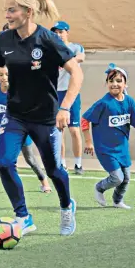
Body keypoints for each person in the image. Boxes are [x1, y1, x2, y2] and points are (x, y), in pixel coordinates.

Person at [0, 0, 84, 236]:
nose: (7, 15)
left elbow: (77, 72)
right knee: (5, 163)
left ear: (28, 12)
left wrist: (65, 107)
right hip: (15, 116)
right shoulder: (3, 40)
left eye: (12, 9)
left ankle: (66, 206)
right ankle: (23, 216)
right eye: (6, 10)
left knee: (54, 170)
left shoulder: (48, 40)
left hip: (46, 118)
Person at [82, 64, 135, 209]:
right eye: (111, 81)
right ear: (107, 84)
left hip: (122, 148)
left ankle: (117, 201)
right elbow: (85, 119)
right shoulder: (103, 103)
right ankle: (99, 188)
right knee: (117, 177)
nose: (115, 84)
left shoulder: (129, 102)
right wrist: (88, 142)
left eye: (118, 81)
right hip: (105, 149)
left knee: (126, 179)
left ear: (125, 84)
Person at [0, 66, 52, 195]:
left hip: (20, 130)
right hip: (1, 130)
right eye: (1, 75)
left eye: (7, 74)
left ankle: (44, 181)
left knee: (30, 159)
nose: (4, 78)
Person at [51, 21, 85, 174]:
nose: (58, 35)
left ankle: (78, 164)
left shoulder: (75, 47)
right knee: (59, 130)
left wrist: (65, 61)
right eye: (55, 32)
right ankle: (62, 163)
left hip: (71, 93)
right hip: (55, 93)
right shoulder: (51, 49)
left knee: (74, 129)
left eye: (61, 32)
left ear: (67, 32)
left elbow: (80, 58)